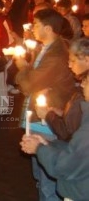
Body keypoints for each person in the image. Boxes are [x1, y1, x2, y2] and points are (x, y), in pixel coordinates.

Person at [14, 8, 77, 201]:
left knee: (48, 178)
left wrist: (22, 66)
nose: (32, 28)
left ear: (48, 28)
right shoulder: (45, 49)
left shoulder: (56, 55)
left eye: (36, 25)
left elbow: (29, 83)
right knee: (40, 176)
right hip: (38, 118)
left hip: (47, 122)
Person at [20, 40, 89, 200]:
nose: (69, 65)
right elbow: (78, 148)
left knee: (48, 190)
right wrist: (47, 144)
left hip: (80, 191)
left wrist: (40, 148)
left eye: (72, 60)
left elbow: (69, 163)